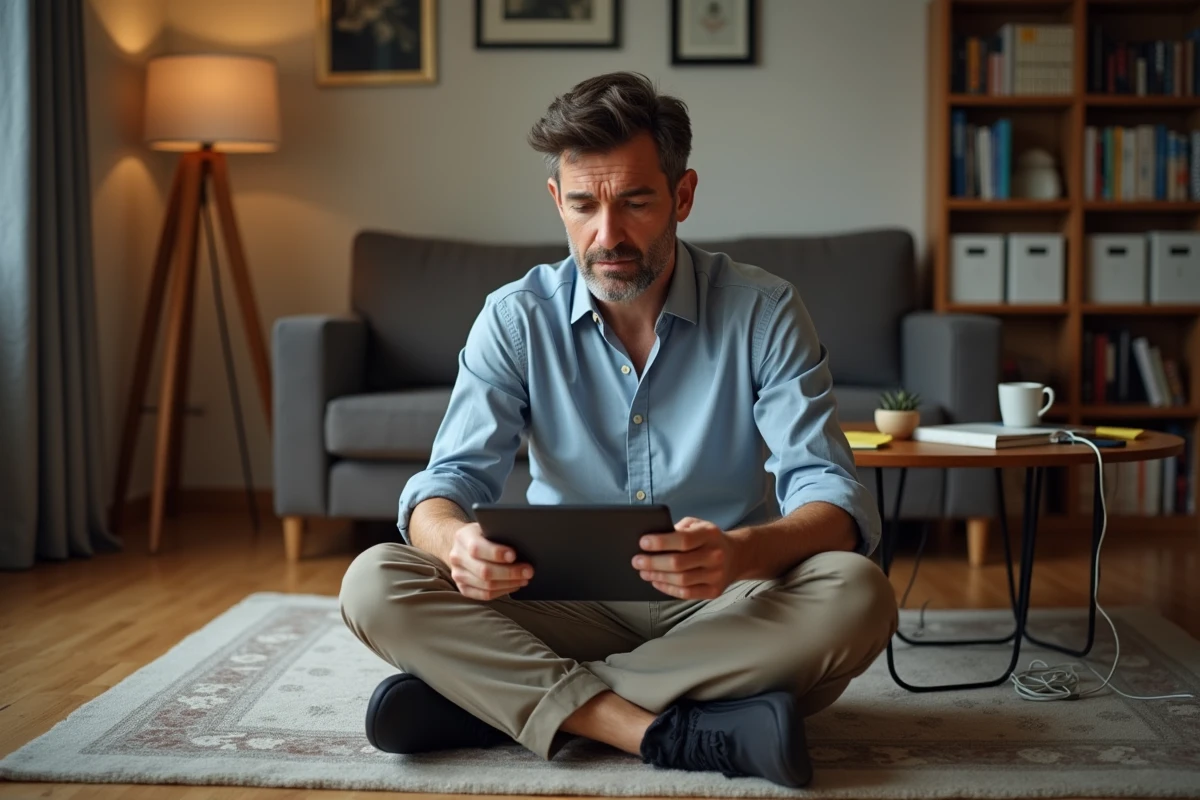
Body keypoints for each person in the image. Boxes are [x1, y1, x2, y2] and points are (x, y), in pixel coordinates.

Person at [339, 71, 899, 789]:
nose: (608, 236)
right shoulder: (515, 318)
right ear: (557, 203)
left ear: (682, 196)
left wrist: (741, 551)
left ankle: (493, 704)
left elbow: (833, 494)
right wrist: (458, 544)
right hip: (556, 601)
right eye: (583, 205)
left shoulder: (765, 310)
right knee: (374, 581)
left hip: (725, 601)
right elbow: (443, 487)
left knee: (858, 595)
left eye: (635, 202)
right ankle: (653, 729)